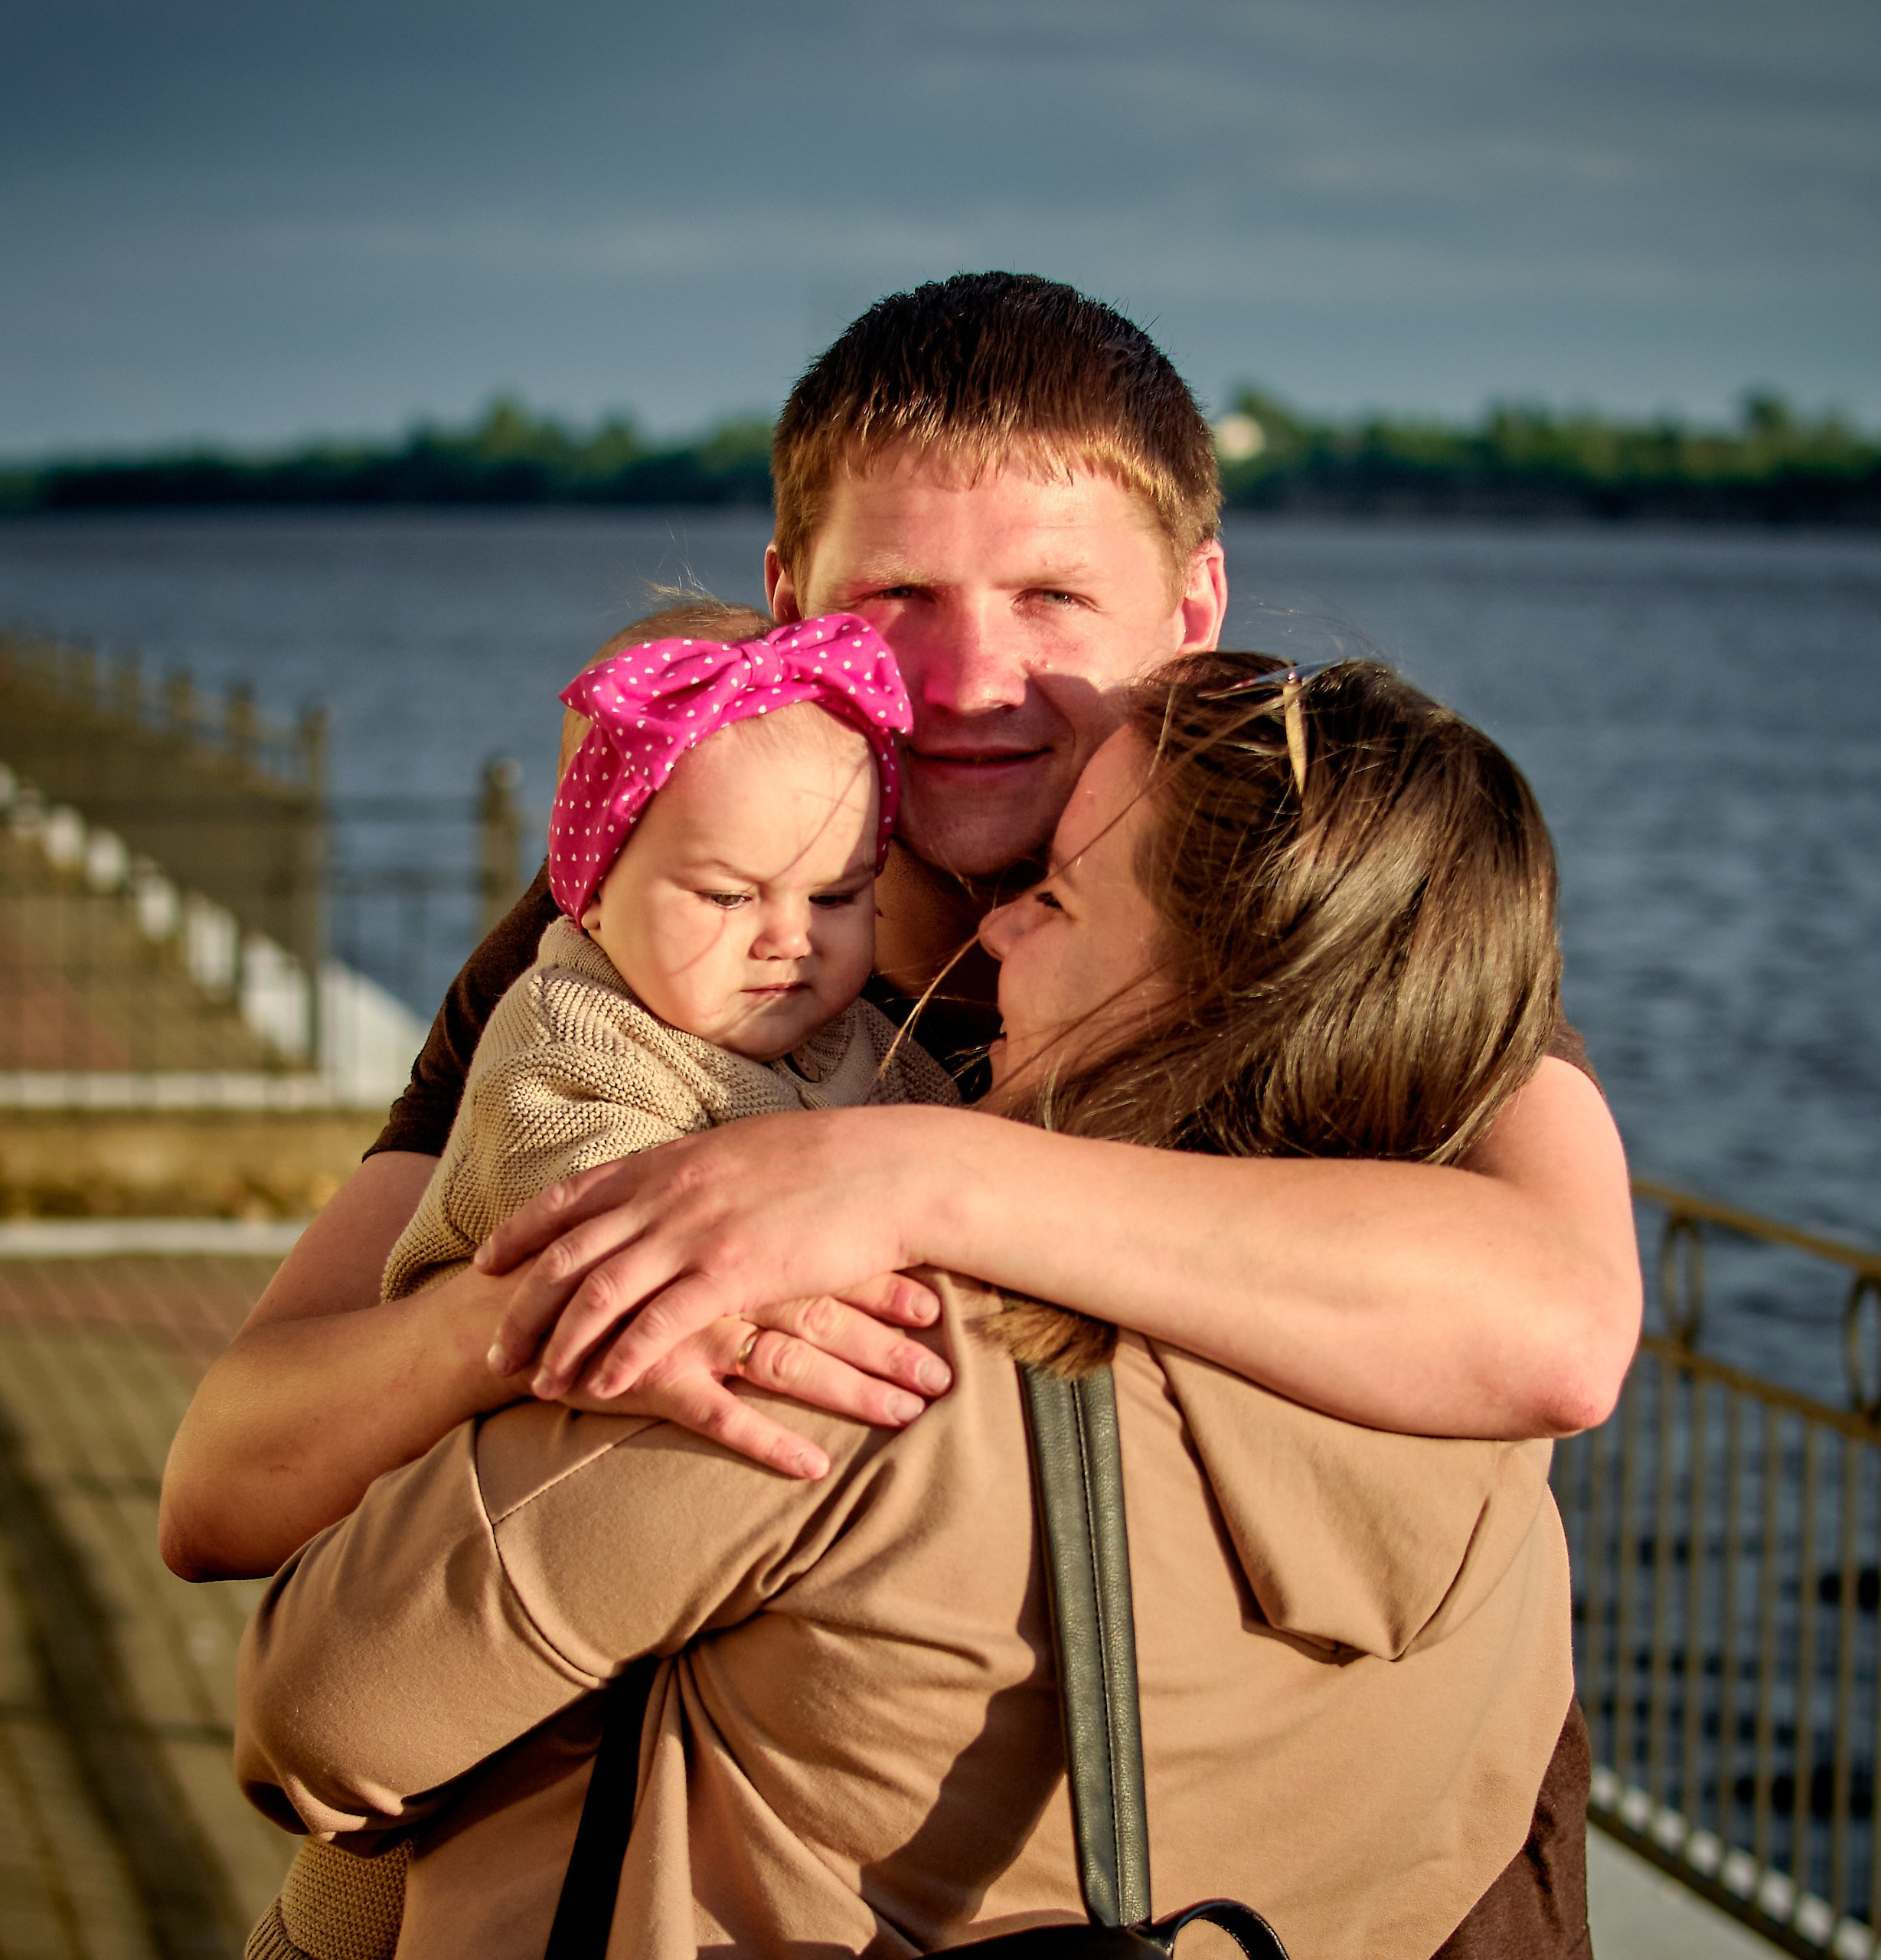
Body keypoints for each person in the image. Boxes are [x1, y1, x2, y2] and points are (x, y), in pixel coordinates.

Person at [168, 272, 1638, 1945]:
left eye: (1054, 595)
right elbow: (221, 1486)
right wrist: (543, 1313)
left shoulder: (1306, 917)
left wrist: (898, 1174)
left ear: (1193, 601)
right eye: (895, 596)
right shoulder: (676, 915)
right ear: (791, 597)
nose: (965, 680)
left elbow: (1560, 1318)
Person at [380, 599, 957, 1308]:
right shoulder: (565, 1036)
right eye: (725, 897)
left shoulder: (857, 1037)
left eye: (834, 898)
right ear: (591, 893)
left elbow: (961, 1148)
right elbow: (626, 1222)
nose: (789, 939)